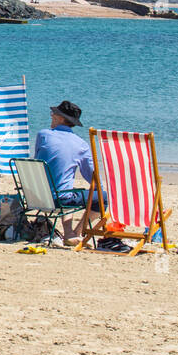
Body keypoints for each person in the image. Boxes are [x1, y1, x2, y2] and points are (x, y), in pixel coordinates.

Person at [35, 100, 107, 247]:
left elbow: (38, 161)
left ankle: (69, 233)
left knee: (66, 187)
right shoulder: (80, 144)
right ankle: (77, 232)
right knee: (103, 197)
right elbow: (91, 176)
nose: (51, 115)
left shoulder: (42, 135)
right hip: (59, 199)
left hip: (35, 195)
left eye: (54, 114)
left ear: (61, 118)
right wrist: (100, 187)